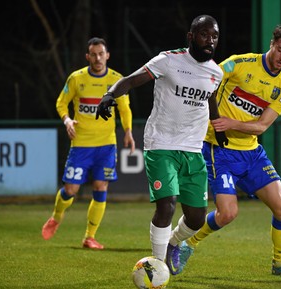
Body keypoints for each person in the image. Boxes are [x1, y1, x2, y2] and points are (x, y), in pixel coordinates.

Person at [178, 24, 281, 276]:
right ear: (272, 43)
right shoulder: (239, 63)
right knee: (228, 213)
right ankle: (187, 244)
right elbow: (207, 81)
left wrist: (232, 123)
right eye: (280, 49)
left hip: (252, 153)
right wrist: (209, 116)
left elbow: (261, 126)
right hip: (220, 149)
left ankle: (280, 264)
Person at [96, 15, 226, 275]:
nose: (210, 41)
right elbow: (132, 79)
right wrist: (110, 94)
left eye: (214, 36)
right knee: (167, 204)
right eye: (204, 35)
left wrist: (217, 124)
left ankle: (173, 243)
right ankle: (157, 267)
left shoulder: (216, 71)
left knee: (197, 218)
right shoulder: (168, 60)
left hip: (193, 148)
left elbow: (210, 98)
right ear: (190, 36)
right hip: (161, 143)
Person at [41, 37, 135, 250]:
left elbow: (124, 109)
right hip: (81, 144)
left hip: (106, 145)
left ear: (107, 55)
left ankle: (89, 237)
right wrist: (67, 120)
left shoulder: (117, 80)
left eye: (101, 53)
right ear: (87, 56)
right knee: (71, 189)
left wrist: (128, 132)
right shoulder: (77, 78)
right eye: (93, 54)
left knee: (101, 187)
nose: (98, 58)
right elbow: (61, 102)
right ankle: (56, 217)